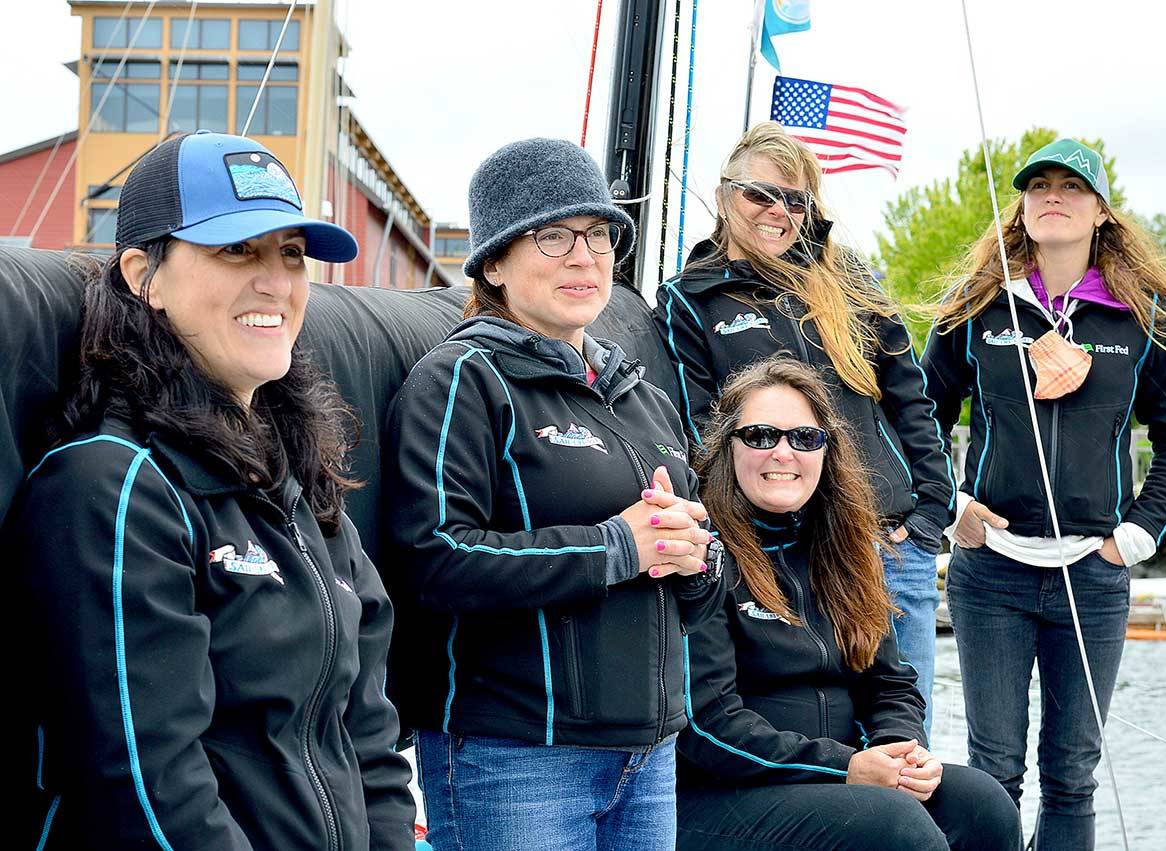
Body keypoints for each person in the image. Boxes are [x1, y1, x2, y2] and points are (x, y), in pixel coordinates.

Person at [13, 131, 415, 849]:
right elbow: (146, 785)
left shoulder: (301, 488)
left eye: (290, 253)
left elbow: (371, 739)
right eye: (236, 250)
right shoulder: (111, 487)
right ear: (145, 275)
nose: (275, 281)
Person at [382, 137, 725, 851]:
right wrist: (616, 546)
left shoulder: (645, 399)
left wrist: (700, 558)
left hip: (647, 755)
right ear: (496, 262)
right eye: (554, 235)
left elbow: (694, 589)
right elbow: (433, 557)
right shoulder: (463, 381)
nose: (585, 255)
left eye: (600, 235)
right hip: (516, 757)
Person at [921, 138, 1166, 850]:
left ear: (1103, 212)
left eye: (1073, 187)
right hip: (991, 573)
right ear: (1020, 207)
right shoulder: (980, 309)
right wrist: (953, 505)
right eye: (1039, 185)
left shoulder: (1143, 319)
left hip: (1094, 573)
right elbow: (917, 411)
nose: (1054, 196)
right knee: (993, 769)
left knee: (1073, 772)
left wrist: (1135, 535)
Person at [654, 122, 954, 732]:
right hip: (794, 553)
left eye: (795, 200)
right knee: (821, 735)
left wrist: (931, 513)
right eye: (759, 194)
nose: (777, 212)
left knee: (906, 739)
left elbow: (910, 399)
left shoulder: (850, 282)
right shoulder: (692, 299)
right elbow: (701, 429)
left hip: (890, 543)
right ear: (722, 196)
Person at [675, 356, 1020, 851]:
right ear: (727, 448)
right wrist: (848, 768)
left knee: (982, 804)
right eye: (759, 436)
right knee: (895, 829)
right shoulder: (703, 556)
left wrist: (895, 751)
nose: (782, 453)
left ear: (826, 451)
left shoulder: (843, 552)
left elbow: (891, 683)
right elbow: (709, 726)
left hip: (842, 776)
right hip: (724, 789)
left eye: (804, 438)